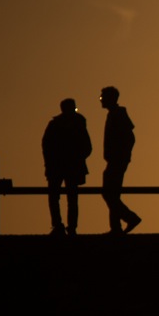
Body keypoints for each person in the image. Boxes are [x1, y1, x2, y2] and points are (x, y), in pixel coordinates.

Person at [41, 98, 92, 236]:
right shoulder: (78, 124)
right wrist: (77, 158)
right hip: (68, 167)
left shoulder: (55, 125)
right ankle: (70, 227)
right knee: (70, 198)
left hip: (58, 166)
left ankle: (59, 226)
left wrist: (50, 163)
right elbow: (87, 147)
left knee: (56, 197)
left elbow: (46, 146)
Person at [100, 86, 142, 235]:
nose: (101, 100)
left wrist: (121, 156)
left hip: (117, 161)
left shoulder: (118, 114)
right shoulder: (113, 114)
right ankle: (116, 227)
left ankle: (130, 218)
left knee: (109, 193)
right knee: (111, 193)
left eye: (102, 97)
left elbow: (130, 138)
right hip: (114, 160)